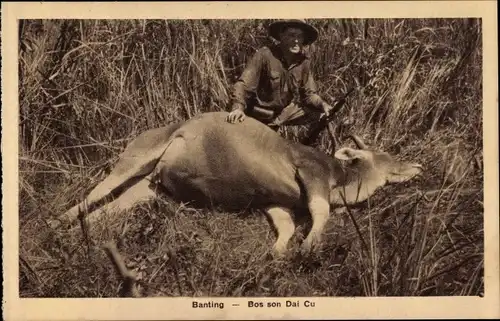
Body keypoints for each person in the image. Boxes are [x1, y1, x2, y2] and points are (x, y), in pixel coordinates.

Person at [226, 19, 335, 136]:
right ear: (281, 36)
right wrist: (238, 107)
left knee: (321, 114)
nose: (296, 40)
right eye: (291, 35)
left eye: (300, 36)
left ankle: (308, 143)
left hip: (281, 114)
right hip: (258, 113)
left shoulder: (303, 62)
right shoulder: (265, 55)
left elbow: (309, 95)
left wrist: (323, 105)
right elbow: (243, 84)